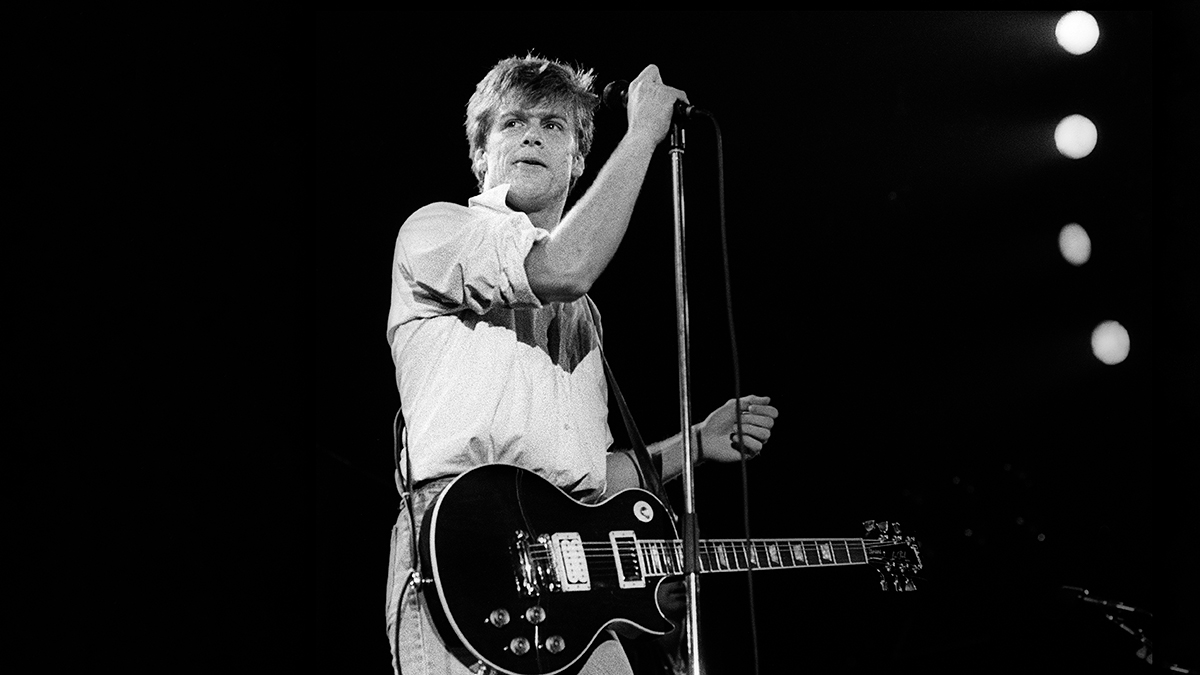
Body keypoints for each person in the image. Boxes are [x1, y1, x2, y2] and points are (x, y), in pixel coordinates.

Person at [385, 53, 779, 675]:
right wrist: (643, 133)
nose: (532, 134)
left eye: (553, 124)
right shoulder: (437, 231)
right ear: (480, 155)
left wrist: (697, 442)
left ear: (577, 160)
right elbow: (562, 268)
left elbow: (590, 479)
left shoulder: (584, 316)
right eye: (511, 123)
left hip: (569, 587)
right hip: (463, 556)